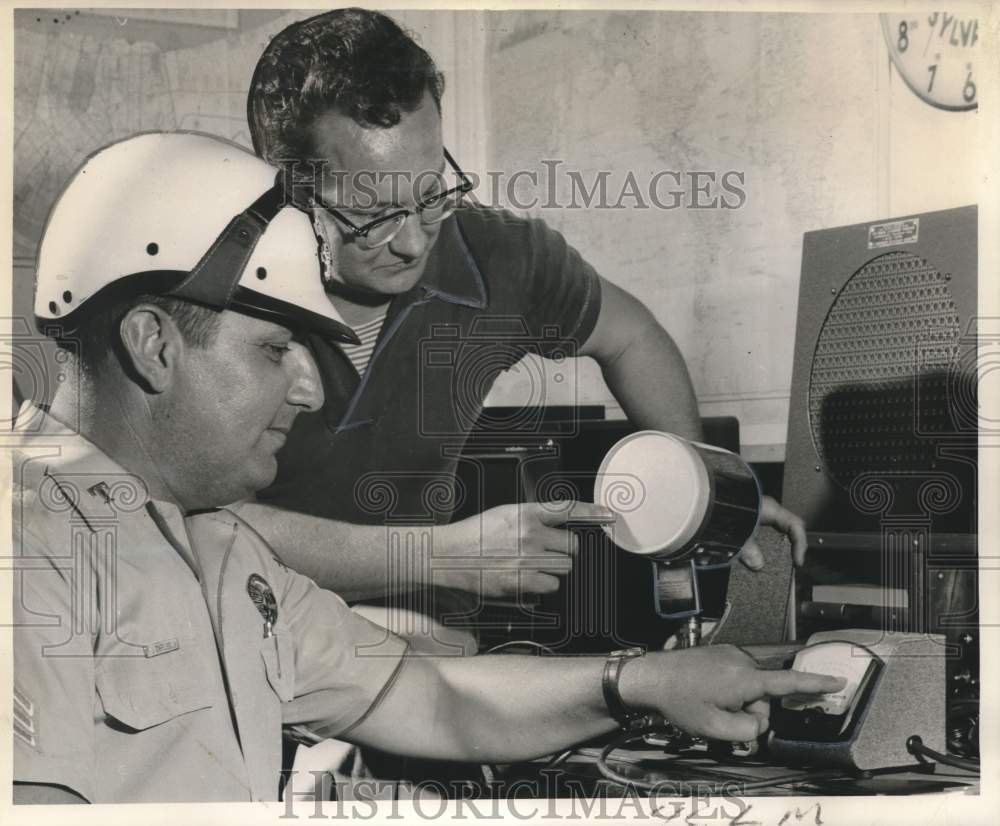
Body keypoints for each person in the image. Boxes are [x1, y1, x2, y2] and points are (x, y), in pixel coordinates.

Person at [11, 131, 843, 804]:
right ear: (153, 345)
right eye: (273, 350)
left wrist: (646, 680)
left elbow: (435, 703)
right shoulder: (28, 563)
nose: (306, 388)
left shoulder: (219, 554)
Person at [241, 9, 809, 647]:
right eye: (373, 213)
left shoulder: (493, 251)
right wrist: (437, 557)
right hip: (255, 639)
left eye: (431, 194)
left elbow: (632, 337)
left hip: (429, 651)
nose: (412, 241)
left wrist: (704, 489)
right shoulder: (215, 294)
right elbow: (200, 527)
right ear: (288, 188)